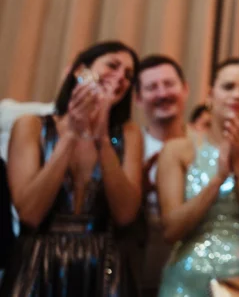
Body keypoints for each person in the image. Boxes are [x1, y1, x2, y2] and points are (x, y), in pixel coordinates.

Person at [2, 41, 143, 297]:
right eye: (112, 65)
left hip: (104, 266)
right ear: (80, 72)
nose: (120, 77)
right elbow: (30, 214)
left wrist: (101, 139)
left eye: (128, 75)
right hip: (38, 263)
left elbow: (125, 215)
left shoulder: (128, 135)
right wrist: (71, 135)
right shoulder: (31, 127)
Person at [156, 59, 239, 297]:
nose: (237, 95)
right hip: (188, 281)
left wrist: (238, 164)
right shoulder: (178, 150)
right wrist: (218, 178)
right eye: (228, 87)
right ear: (210, 95)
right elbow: (171, 230)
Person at [134, 55, 189, 297]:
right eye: (151, 87)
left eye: (169, 84)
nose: (162, 93)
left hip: (193, 276)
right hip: (137, 273)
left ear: (185, 90)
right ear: (137, 98)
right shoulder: (126, 149)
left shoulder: (206, 146)